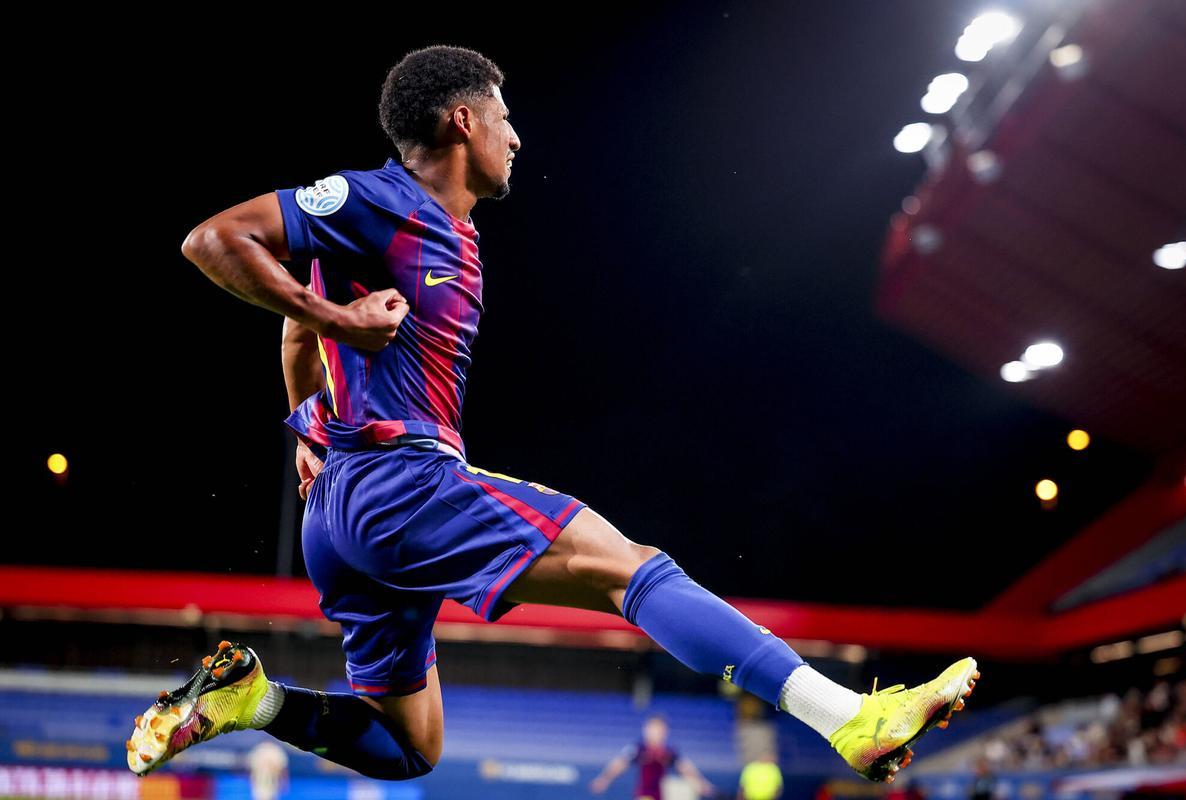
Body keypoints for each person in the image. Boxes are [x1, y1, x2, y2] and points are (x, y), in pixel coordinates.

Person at [124, 44, 980, 786]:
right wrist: (344, 326)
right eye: (504, 116)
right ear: (462, 121)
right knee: (632, 568)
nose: (517, 135)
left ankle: (257, 698)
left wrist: (308, 429)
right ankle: (845, 717)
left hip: (342, 513)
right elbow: (215, 240)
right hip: (401, 482)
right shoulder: (382, 200)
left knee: (407, 746)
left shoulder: (434, 231)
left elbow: (290, 333)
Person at [590, 715, 714, 799]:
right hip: (644, 795)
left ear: (665, 732)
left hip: (661, 795)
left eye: (658, 730)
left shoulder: (668, 751)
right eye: (652, 729)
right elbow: (620, 763)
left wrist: (701, 783)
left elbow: (685, 767)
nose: (654, 733)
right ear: (646, 730)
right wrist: (604, 779)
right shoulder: (639, 748)